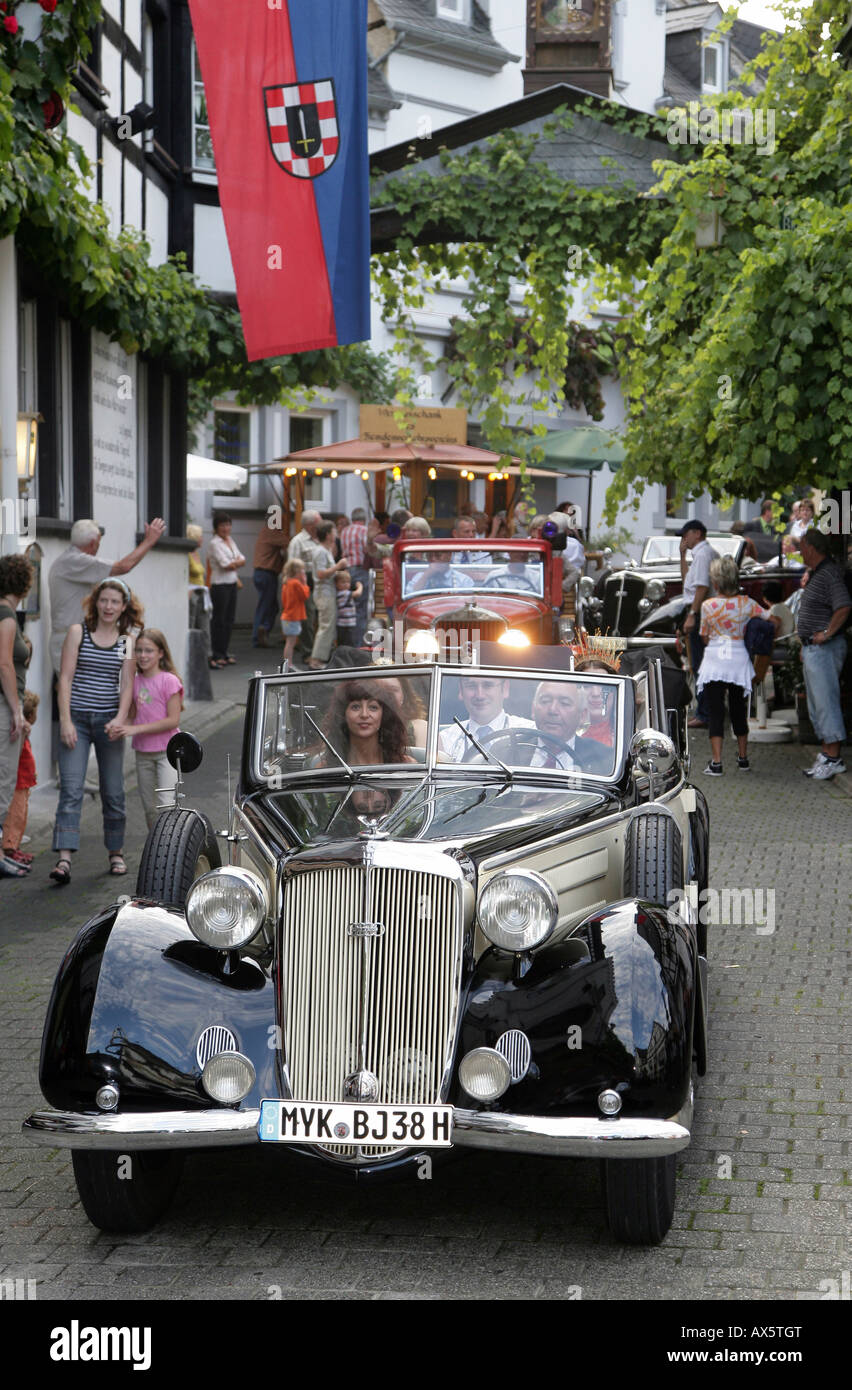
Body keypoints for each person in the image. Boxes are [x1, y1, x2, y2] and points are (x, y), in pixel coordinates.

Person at [51, 578, 142, 883]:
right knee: (72, 788)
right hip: (76, 720)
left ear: (123, 606)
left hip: (109, 724)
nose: (108, 607)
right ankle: (64, 858)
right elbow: (64, 678)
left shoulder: (126, 641)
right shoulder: (79, 632)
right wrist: (65, 720)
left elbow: (128, 684)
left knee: (114, 791)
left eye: (115, 602)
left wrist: (120, 719)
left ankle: (115, 852)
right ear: (96, 602)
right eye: (104, 600)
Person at [47, 516, 165, 674]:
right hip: (70, 639)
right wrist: (149, 541)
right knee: (75, 690)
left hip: (75, 637)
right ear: (93, 543)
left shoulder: (67, 561)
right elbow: (124, 566)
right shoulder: (76, 561)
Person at [696, 554, 778, 776]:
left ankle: (717, 762)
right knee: (738, 708)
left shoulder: (707, 605)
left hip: (714, 659)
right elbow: (772, 620)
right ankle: (743, 759)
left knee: (715, 711)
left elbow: (704, 637)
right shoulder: (748, 603)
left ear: (715, 582)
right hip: (738, 659)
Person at [107, 629, 183, 829]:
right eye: (139, 650)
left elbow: (173, 721)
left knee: (167, 805)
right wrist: (119, 727)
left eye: (148, 650)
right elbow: (131, 716)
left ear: (161, 653)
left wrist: (135, 730)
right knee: (150, 808)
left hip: (167, 752)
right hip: (143, 754)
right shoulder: (134, 681)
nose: (142, 655)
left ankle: (171, 850)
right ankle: (157, 850)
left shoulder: (169, 680)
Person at [796, 530, 850, 780]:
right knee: (818, 704)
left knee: (826, 702)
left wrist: (826, 633)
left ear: (811, 548)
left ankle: (833, 757)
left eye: (802, 547)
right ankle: (827, 754)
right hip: (813, 648)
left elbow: (844, 605)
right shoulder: (819, 573)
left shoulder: (828, 573)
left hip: (823, 649)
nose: (800, 551)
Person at [0, 553, 34, 879]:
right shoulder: (7, 616)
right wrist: (16, 711)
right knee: (3, 781)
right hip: (3, 708)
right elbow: (5, 664)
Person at [679, 519, 718, 729]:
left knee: (701, 663)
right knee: (699, 662)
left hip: (701, 612)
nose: (684, 538)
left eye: (686, 534)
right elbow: (688, 582)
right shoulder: (700, 554)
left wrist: (692, 614)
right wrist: (682, 555)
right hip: (700, 610)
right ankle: (705, 710)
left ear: (698, 533)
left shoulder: (703, 554)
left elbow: (701, 587)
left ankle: (704, 713)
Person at [321, 679, 415, 765]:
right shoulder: (325, 769)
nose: (364, 714)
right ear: (343, 714)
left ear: (384, 715)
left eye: (373, 707)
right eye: (356, 707)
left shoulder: (406, 765)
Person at [439, 676, 533, 760]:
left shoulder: (529, 733)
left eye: (488, 685)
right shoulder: (445, 740)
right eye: (471, 686)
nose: (480, 695)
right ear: (461, 690)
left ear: (505, 688)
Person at [531, 680, 612, 773]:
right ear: (533, 709)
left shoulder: (605, 759)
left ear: (582, 716)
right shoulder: (513, 748)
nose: (552, 710)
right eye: (545, 701)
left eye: (564, 703)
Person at [1, 688, 39, 870]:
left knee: (21, 816)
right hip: (18, 783)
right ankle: (9, 848)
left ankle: (14, 846)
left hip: (25, 783)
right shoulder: (19, 736)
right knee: (14, 817)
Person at [207, 511, 245, 668]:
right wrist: (236, 563)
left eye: (228, 524)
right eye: (222, 525)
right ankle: (217, 654)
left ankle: (224, 651)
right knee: (219, 620)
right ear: (216, 527)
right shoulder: (214, 543)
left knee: (229, 620)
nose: (226, 528)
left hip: (231, 583)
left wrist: (235, 563)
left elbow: (243, 558)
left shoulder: (230, 540)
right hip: (219, 584)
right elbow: (225, 564)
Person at [310, 522, 350, 669]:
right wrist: (338, 566)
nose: (336, 535)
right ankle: (315, 660)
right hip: (324, 592)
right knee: (326, 626)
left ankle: (320, 658)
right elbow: (321, 574)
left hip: (327, 592)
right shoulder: (320, 551)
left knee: (327, 625)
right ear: (328, 534)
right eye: (334, 532)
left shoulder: (324, 550)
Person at [287, 510, 323, 660]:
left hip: (320, 581)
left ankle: (319, 652)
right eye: (318, 522)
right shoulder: (298, 541)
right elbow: (292, 565)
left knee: (320, 617)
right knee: (307, 618)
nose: (321, 525)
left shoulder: (319, 539)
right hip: (304, 581)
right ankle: (307, 652)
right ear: (310, 525)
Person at [252, 514, 288, 648]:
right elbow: (289, 542)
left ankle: (263, 631)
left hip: (262, 573)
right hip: (266, 574)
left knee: (270, 606)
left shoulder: (265, 532)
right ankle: (259, 633)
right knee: (266, 606)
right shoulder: (271, 532)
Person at [339, 508, 370, 648]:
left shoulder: (344, 531)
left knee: (346, 607)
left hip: (346, 571)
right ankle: (358, 645)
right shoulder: (364, 530)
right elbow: (367, 549)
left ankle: (345, 644)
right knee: (360, 609)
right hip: (360, 570)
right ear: (364, 519)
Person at [280, 558, 310, 666]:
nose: (303, 572)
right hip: (292, 617)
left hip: (287, 616)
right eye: (302, 570)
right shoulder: (296, 583)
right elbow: (305, 596)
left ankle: (288, 664)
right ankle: (288, 665)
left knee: (289, 642)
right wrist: (305, 583)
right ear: (297, 571)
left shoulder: (286, 583)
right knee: (290, 643)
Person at [411, 551, 476, 595]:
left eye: (438, 555)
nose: (433, 559)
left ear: (449, 556)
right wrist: (425, 576)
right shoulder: (420, 577)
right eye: (430, 556)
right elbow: (410, 597)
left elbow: (469, 603)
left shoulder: (463, 580)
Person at [335, 569, 363, 647]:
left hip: (343, 625)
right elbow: (357, 593)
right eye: (343, 582)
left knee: (342, 643)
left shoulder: (339, 593)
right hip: (347, 625)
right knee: (349, 643)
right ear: (336, 584)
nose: (346, 584)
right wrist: (360, 586)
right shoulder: (344, 593)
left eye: (348, 582)